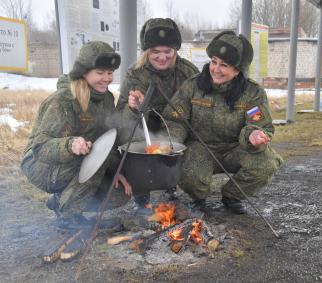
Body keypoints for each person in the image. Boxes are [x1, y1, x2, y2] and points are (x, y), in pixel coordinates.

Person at [162, 31, 283, 214]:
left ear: (237, 70)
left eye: (224, 65)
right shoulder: (193, 86)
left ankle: (232, 196)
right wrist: (173, 143)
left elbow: (258, 123)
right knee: (191, 173)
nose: (216, 69)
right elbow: (175, 119)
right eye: (214, 61)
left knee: (267, 163)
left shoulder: (252, 92)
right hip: (200, 148)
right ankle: (199, 198)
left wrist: (253, 135)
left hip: (236, 149)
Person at [21, 41, 132, 229]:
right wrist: (70, 145)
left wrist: (115, 171)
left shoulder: (106, 99)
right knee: (95, 160)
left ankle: (61, 201)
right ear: (84, 72)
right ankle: (68, 217)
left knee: (120, 194)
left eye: (110, 72)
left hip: (76, 162)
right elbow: (40, 147)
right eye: (100, 72)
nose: (106, 78)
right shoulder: (63, 100)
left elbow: (108, 139)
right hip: (41, 164)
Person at [116, 18, 199, 211]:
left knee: (176, 145)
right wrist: (132, 107)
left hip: (178, 128)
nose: (162, 57)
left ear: (175, 51)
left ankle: (171, 186)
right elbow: (121, 114)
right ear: (146, 51)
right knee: (131, 136)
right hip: (144, 128)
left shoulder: (188, 72)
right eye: (155, 51)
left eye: (167, 51)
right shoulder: (135, 74)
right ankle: (141, 194)